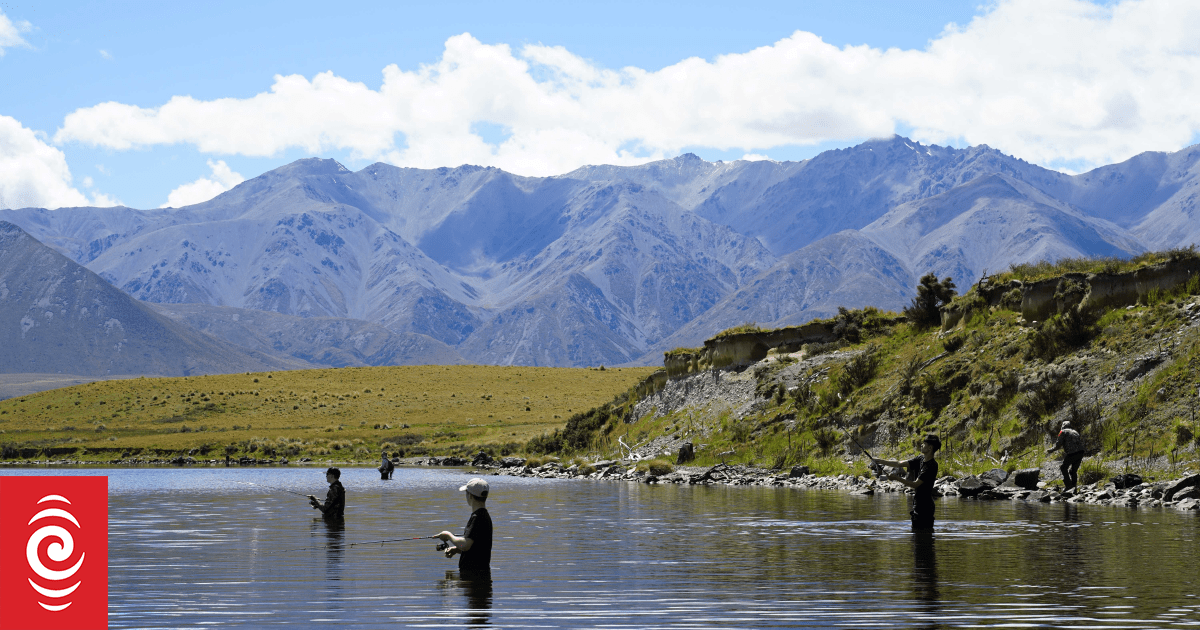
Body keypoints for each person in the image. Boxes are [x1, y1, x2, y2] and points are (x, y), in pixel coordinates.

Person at [872, 434, 942, 532]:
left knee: (924, 539)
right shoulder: (920, 459)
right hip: (917, 504)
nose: (921, 445)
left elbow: (915, 484)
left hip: (926, 508)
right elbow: (899, 463)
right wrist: (879, 461)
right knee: (916, 539)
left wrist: (896, 478)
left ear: (930, 448)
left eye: (924, 444)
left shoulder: (931, 466)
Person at [436, 478, 493, 573]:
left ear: (470, 496)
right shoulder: (484, 516)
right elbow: (477, 547)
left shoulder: (477, 518)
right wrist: (456, 549)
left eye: (466, 493)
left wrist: (448, 535)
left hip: (473, 575)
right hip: (479, 574)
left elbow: (466, 545)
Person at [1047, 420, 1085, 493]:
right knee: (1073, 471)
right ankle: (1074, 487)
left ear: (1063, 426)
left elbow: (1058, 444)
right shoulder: (1075, 432)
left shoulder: (1063, 432)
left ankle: (1068, 486)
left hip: (1072, 453)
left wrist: (1051, 450)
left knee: (1063, 468)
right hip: (1081, 453)